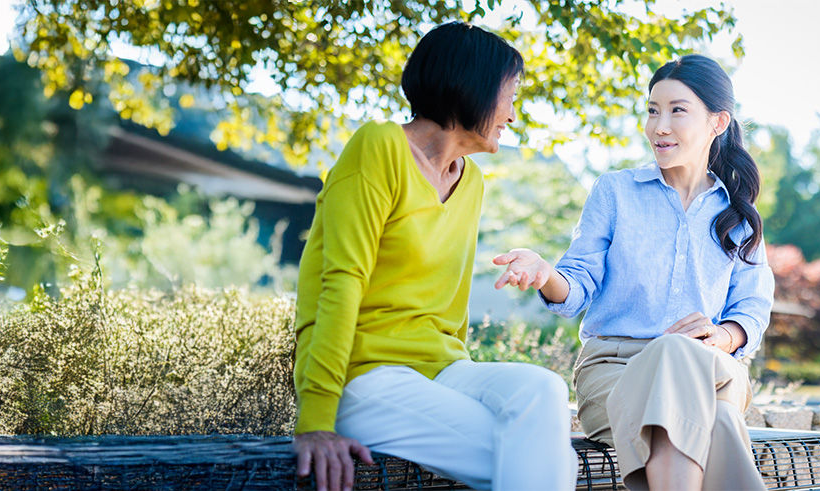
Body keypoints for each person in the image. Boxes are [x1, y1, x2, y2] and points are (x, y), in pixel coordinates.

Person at [291, 21, 576, 491]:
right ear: (474, 86)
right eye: (510, 95)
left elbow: (452, 302)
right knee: (541, 460)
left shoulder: (472, 181)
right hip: (364, 377)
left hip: (443, 372)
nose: (512, 113)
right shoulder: (379, 147)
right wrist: (317, 418)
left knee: (543, 390)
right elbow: (339, 282)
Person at [492, 54, 774, 491]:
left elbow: (752, 308)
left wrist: (723, 337)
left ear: (718, 123)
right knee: (712, 417)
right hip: (616, 371)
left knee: (678, 353)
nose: (659, 126)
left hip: (708, 367)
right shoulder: (615, 192)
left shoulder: (739, 214)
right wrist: (546, 272)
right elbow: (578, 283)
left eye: (677, 110)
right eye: (652, 110)